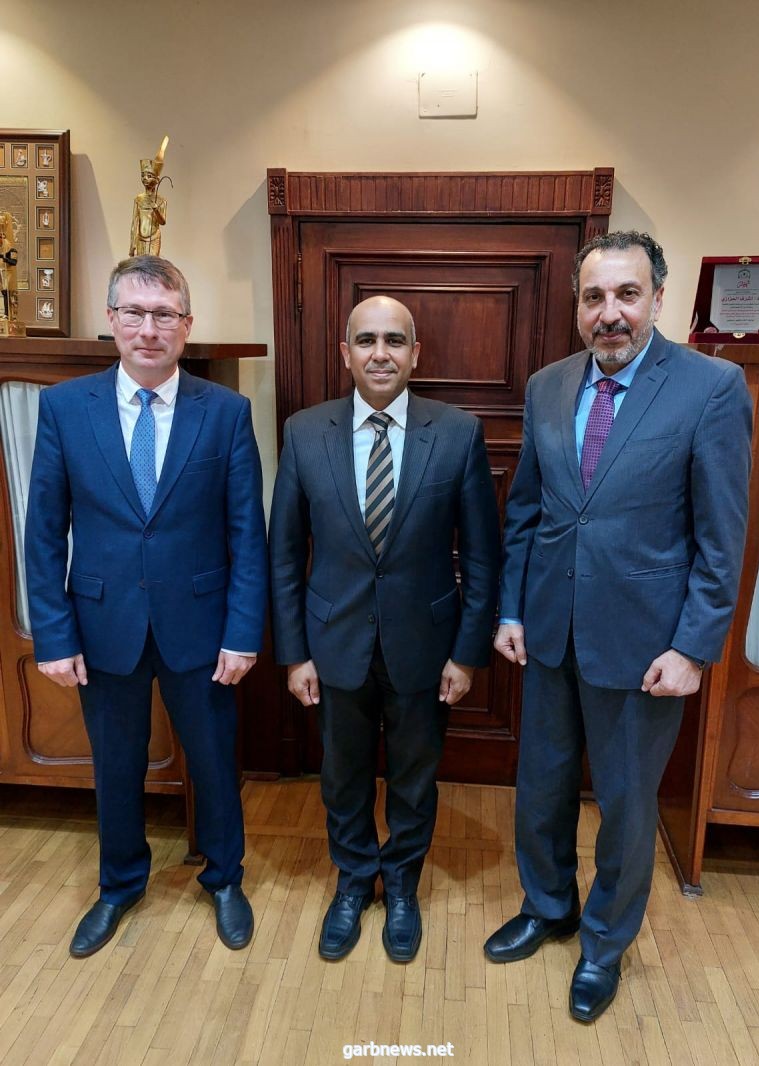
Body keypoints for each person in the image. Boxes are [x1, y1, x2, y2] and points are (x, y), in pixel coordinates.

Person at [484, 231, 752, 1022]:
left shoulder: (712, 387)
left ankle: (603, 943)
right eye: (594, 296)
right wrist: (510, 607)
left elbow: (722, 537)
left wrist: (693, 647)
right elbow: (526, 511)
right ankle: (548, 907)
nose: (610, 313)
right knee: (541, 789)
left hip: (646, 648)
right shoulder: (548, 386)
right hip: (549, 633)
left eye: (627, 294)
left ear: (657, 298)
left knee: (628, 808)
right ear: (577, 305)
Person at [25, 256, 267, 958]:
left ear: (187, 325)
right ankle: (120, 884)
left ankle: (224, 878)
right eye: (134, 312)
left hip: (202, 626)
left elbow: (246, 533)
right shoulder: (66, 408)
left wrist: (243, 632)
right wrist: (54, 635)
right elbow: (44, 532)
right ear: (112, 320)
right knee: (116, 764)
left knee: (214, 761)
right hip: (103, 626)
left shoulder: (225, 413)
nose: (148, 328)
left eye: (164, 314)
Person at [269, 295, 499, 963]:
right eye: (366, 340)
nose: (380, 353)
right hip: (332, 643)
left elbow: (482, 555)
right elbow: (284, 552)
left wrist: (467, 653)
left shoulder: (456, 433)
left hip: (425, 646)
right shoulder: (304, 432)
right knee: (341, 776)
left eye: (394, 340)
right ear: (345, 353)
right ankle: (351, 882)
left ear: (415, 353)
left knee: (414, 778)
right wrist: (294, 654)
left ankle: (401, 884)